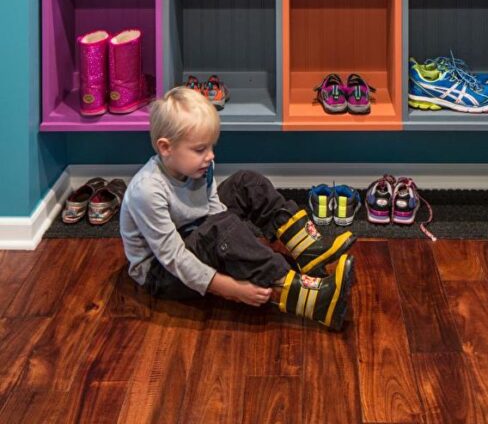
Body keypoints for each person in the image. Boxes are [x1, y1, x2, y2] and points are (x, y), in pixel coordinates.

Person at [120, 86, 355, 330]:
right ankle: (306, 295)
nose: (210, 156)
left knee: (247, 183)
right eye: (200, 149)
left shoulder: (199, 165)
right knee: (224, 230)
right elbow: (174, 258)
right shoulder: (147, 191)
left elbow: (215, 212)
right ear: (166, 148)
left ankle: (309, 250)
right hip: (162, 273)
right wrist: (232, 288)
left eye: (211, 146)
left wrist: (235, 245)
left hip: (192, 234)